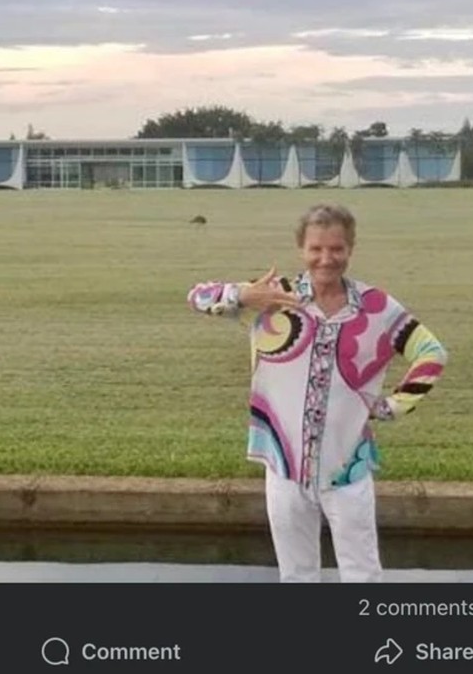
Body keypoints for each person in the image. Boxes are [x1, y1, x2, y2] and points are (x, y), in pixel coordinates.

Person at [187, 203, 448, 583]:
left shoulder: (376, 307)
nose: (326, 259)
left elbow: (431, 353)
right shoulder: (274, 297)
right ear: (302, 249)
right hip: (284, 466)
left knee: (363, 575)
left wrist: (392, 406)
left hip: (348, 467)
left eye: (336, 249)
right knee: (296, 577)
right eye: (316, 249)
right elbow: (196, 297)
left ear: (350, 250)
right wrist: (243, 295)